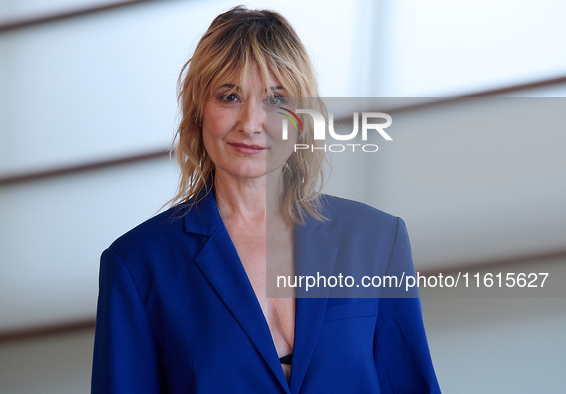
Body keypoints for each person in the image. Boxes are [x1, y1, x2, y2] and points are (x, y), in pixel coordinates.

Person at [91, 6, 440, 393]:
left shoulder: (378, 239)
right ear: (198, 112)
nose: (251, 123)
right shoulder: (137, 266)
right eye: (229, 96)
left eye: (276, 99)